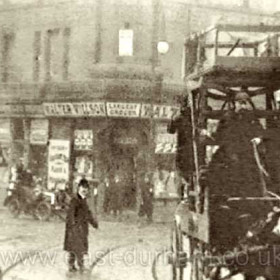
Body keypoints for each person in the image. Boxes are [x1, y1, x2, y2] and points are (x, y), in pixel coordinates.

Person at [63, 178, 98, 273]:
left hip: (82, 228)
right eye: (83, 187)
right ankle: (79, 266)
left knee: (76, 247)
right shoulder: (75, 200)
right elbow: (71, 214)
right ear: (78, 188)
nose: (84, 189)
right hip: (75, 229)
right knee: (78, 248)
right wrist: (74, 226)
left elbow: (88, 214)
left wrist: (94, 223)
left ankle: (72, 266)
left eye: (86, 188)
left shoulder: (84, 200)